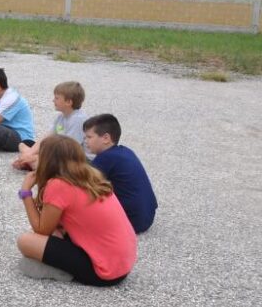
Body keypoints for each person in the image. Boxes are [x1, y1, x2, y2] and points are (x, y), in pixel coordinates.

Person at [16, 134, 137, 285]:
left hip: (103, 272)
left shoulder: (58, 184)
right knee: (54, 231)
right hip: (122, 265)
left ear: (48, 160)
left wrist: (26, 192)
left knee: (25, 241)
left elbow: (41, 229)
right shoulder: (91, 175)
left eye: (39, 156)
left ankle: (60, 271)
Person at [83, 114, 158, 234]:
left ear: (106, 138)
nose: (85, 141)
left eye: (89, 137)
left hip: (132, 221)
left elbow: (82, 184)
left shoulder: (105, 158)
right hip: (147, 216)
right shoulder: (125, 151)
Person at [13, 81, 88, 171]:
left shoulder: (78, 119)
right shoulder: (61, 116)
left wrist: (36, 157)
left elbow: (69, 149)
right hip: (60, 152)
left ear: (68, 102)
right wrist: (30, 154)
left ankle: (37, 165)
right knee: (23, 145)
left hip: (73, 158)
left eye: (57, 98)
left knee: (36, 159)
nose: (53, 100)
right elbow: (47, 137)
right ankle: (31, 161)